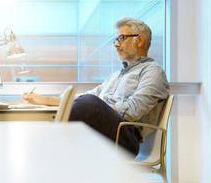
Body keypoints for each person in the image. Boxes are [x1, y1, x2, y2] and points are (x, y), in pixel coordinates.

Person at [22, 17, 169, 156]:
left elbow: (133, 110)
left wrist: (99, 109)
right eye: (116, 40)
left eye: (122, 38)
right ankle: (47, 148)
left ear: (140, 40)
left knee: (90, 103)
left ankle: (47, 147)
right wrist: (43, 99)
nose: (116, 44)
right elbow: (82, 99)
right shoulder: (116, 76)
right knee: (87, 101)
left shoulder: (152, 71)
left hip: (125, 139)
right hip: (103, 130)